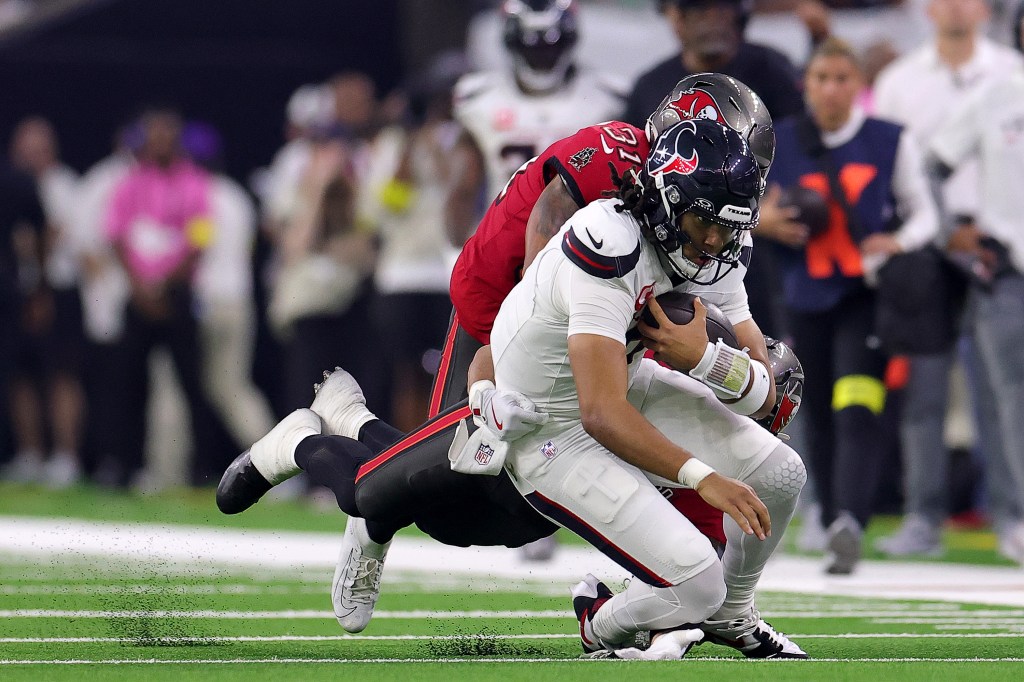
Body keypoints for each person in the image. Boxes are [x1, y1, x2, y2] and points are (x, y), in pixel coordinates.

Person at [219, 118, 807, 660]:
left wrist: (707, 360)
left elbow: (764, 396)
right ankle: (301, 440)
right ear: (670, 199)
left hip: (613, 387)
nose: (716, 244)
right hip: (532, 419)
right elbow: (596, 409)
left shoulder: (709, 239)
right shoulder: (609, 238)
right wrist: (703, 476)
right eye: (706, 225)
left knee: (781, 474)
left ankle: (727, 610)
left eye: (727, 228)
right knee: (390, 502)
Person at [770, 38, 939, 574]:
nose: (831, 89)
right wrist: (763, 221)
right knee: (817, 411)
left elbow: (924, 214)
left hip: (864, 297)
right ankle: (827, 516)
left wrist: (899, 242)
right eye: (821, 78)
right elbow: (744, 208)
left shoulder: (888, 139)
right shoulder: (780, 141)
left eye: (842, 78)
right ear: (807, 84)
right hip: (804, 297)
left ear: (859, 85)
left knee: (857, 406)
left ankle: (850, 520)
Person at [871, 0, 1024, 559]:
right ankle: (923, 516)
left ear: (986, 9)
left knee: (1003, 394)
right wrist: (936, 230)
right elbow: (894, 170)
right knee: (924, 390)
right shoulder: (899, 82)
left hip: (998, 252)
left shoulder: (1008, 70)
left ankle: (1012, 517)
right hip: (931, 248)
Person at [925, 64, 1024, 565]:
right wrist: (949, 232)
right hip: (1007, 272)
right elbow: (931, 165)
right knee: (1010, 400)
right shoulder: (999, 95)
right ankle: (1016, 518)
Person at [3, 117, 85, 487]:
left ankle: (66, 455)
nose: (30, 158)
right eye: (24, 151)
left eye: (37, 150)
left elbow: (53, 234)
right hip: (18, 290)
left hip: (57, 289)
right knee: (20, 376)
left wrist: (41, 282)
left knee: (61, 374)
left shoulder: (64, 185)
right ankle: (30, 453)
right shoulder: (13, 184)